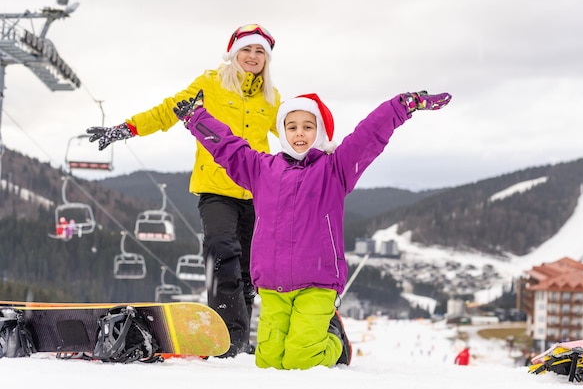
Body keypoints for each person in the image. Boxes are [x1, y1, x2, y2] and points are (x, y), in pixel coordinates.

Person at [172, 88, 452, 369]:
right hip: (272, 286)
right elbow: (229, 147)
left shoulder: (335, 169)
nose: (299, 133)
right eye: (291, 127)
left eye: (308, 126)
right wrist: (196, 119)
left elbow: (369, 136)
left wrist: (402, 106)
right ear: (282, 131)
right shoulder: (262, 169)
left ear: (319, 131)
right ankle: (313, 339)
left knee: (301, 359)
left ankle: (336, 344)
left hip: (317, 283)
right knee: (268, 362)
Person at [86, 24, 281, 357]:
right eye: (246, 50)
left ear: (267, 59)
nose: (252, 57)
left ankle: (239, 339)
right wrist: (126, 128)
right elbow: (168, 111)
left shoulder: (272, 98)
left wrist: (324, 153)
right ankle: (228, 342)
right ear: (233, 54)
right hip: (216, 189)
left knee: (248, 272)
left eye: (259, 52)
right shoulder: (210, 84)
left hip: (255, 191)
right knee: (221, 252)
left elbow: (294, 132)